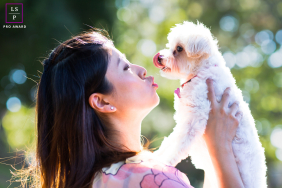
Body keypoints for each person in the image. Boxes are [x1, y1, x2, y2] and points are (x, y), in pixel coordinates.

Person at [20, 28, 244, 188]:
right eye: (125, 67)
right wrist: (221, 147)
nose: (141, 70)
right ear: (102, 102)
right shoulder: (154, 179)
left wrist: (210, 146)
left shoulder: (97, 179)